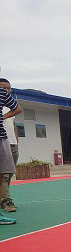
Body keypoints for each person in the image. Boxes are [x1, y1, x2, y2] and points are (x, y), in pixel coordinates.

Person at [0, 83, 21, 224]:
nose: (7, 90)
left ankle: (4, 202)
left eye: (9, 87)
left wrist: (4, 117)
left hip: (4, 139)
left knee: (4, 175)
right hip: (4, 140)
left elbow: (17, 109)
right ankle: (6, 201)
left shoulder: (3, 95)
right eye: (4, 87)